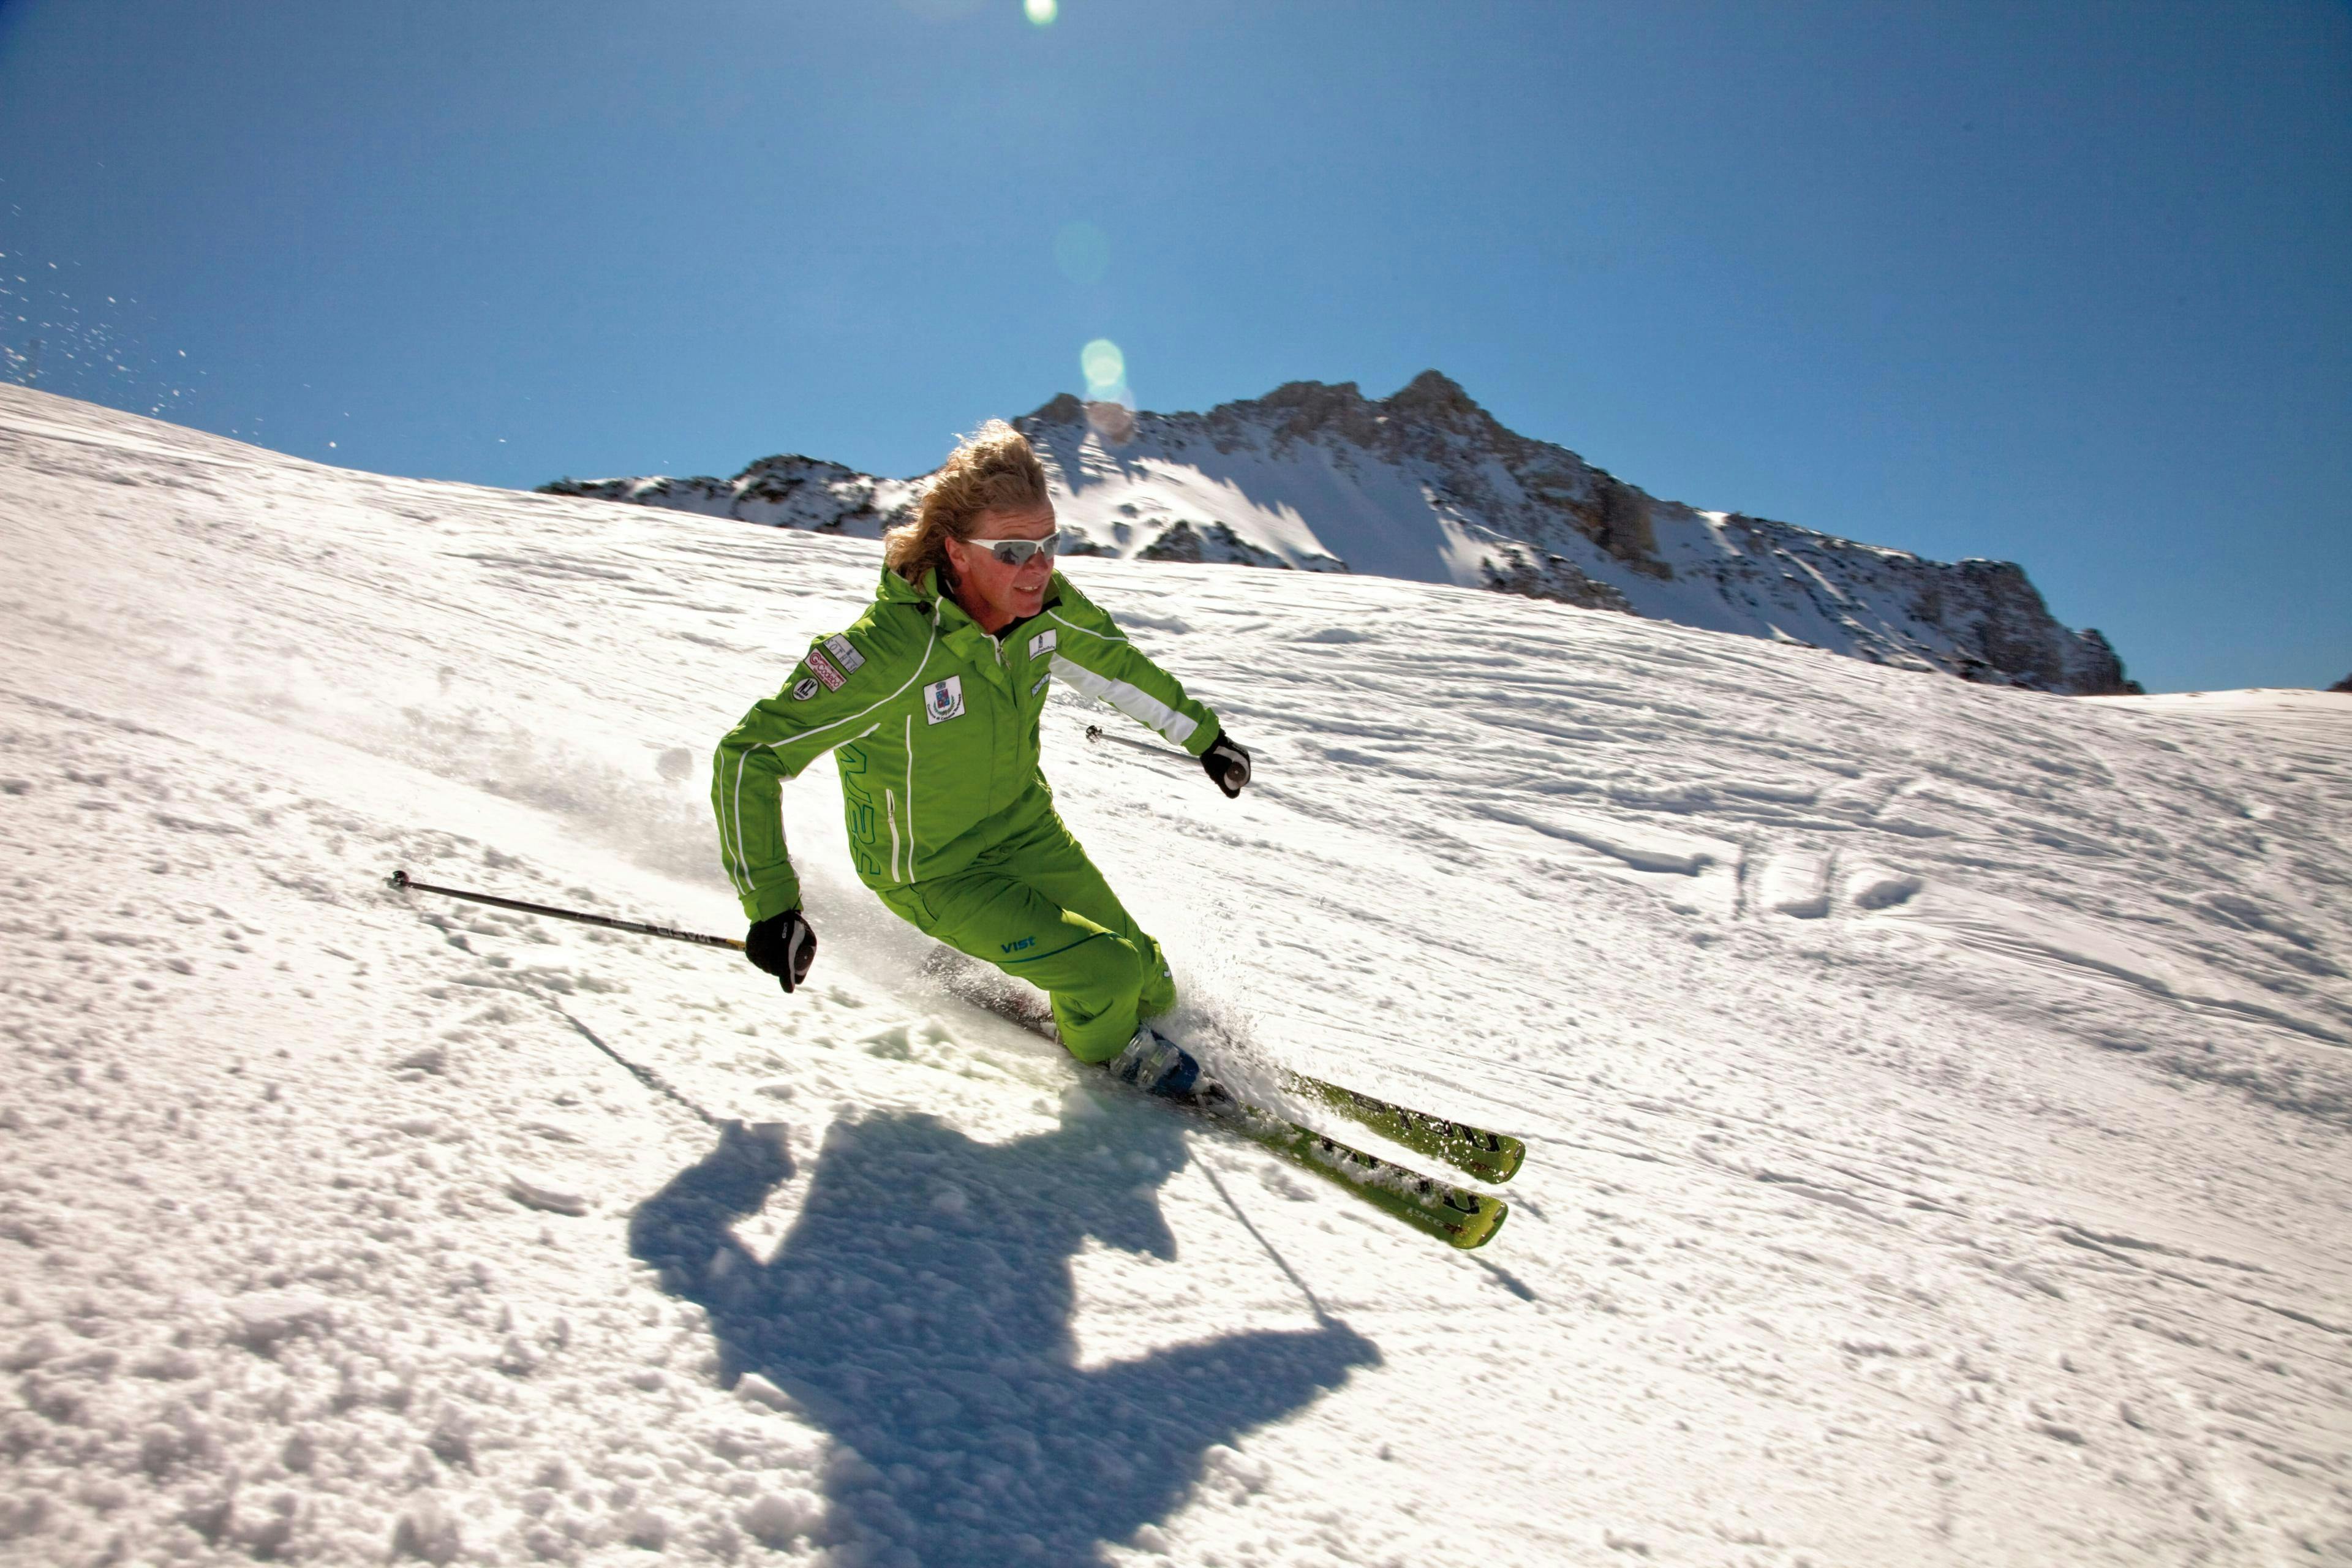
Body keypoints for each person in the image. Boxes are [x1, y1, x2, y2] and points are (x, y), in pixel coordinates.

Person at [711, 421, 1252, 1096]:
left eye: (1049, 544)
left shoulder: (1045, 610)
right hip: (934, 870)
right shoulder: (888, 654)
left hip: (1025, 830)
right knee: (1106, 975)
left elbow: (1117, 665)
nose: (1039, 568)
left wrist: (1205, 738)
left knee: (1149, 980)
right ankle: (1111, 1065)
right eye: (1014, 550)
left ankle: (1100, 1011)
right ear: (956, 553)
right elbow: (749, 756)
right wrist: (772, 910)